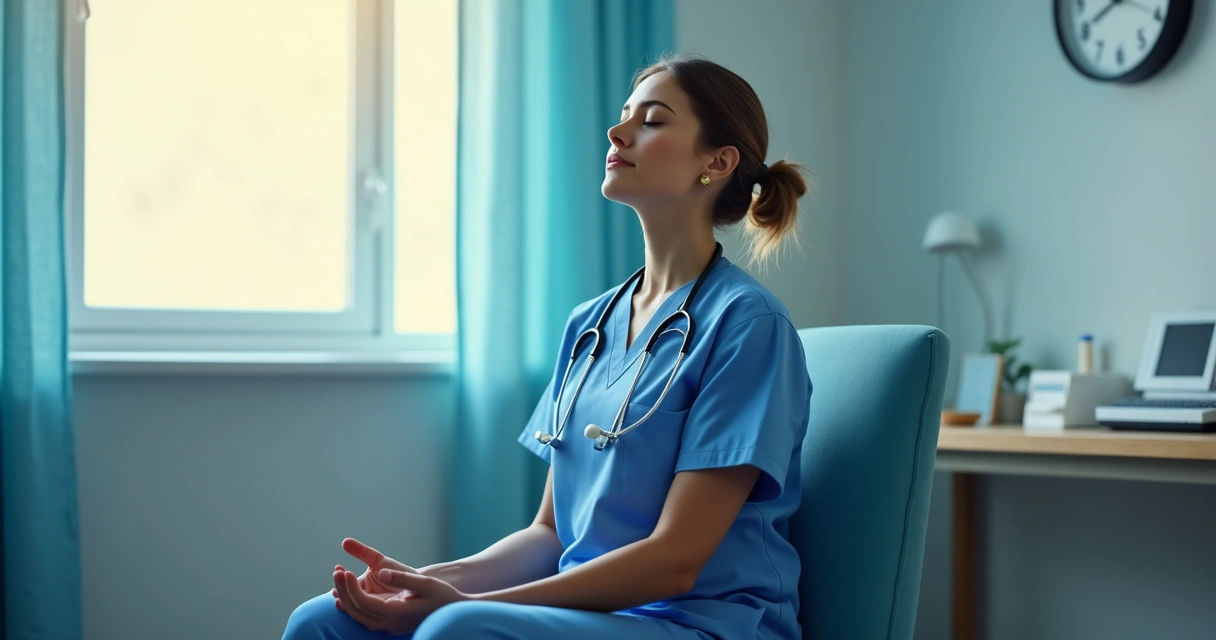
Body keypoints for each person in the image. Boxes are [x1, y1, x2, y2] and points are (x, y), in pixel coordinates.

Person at [284, 54, 812, 640]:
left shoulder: (748, 325)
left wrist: (466, 606)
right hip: (592, 617)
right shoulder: (590, 325)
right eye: (623, 116)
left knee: (455, 630)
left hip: (703, 622)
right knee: (322, 621)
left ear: (717, 162)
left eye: (653, 121)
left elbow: (676, 561)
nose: (617, 132)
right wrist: (421, 582)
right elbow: (551, 535)